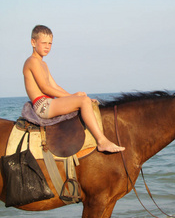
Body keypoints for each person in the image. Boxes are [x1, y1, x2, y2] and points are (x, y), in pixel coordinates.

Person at [23, 25, 125, 153]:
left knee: (83, 99)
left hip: (50, 102)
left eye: (50, 43)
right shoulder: (32, 61)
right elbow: (45, 88)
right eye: (43, 43)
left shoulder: (43, 64)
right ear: (33, 42)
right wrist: (75, 98)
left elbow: (55, 86)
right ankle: (102, 141)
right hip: (42, 105)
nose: (47, 46)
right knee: (84, 101)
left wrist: (73, 96)